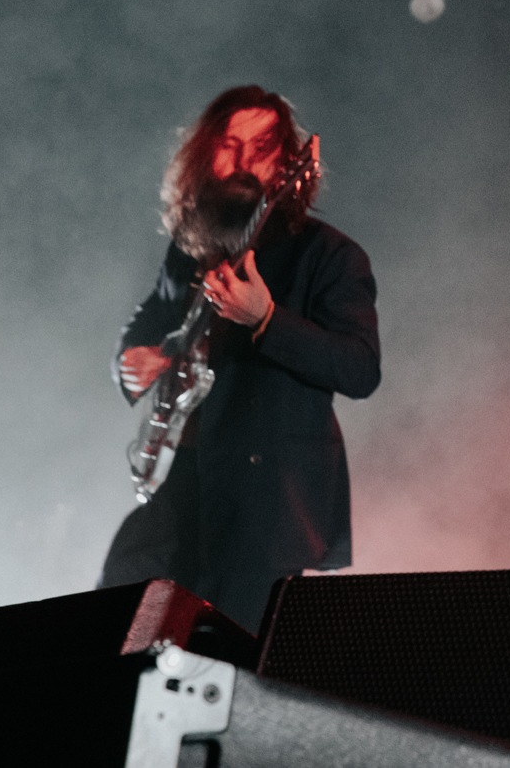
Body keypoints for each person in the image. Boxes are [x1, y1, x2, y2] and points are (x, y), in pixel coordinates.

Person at [99, 85, 380, 631]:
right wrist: (131, 362)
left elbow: (361, 368)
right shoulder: (191, 249)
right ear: (205, 155)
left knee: (226, 650)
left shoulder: (329, 255)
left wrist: (267, 319)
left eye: (262, 147)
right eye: (230, 145)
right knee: (122, 611)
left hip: (265, 501)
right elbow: (148, 321)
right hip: (186, 480)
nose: (245, 160)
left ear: (288, 165)